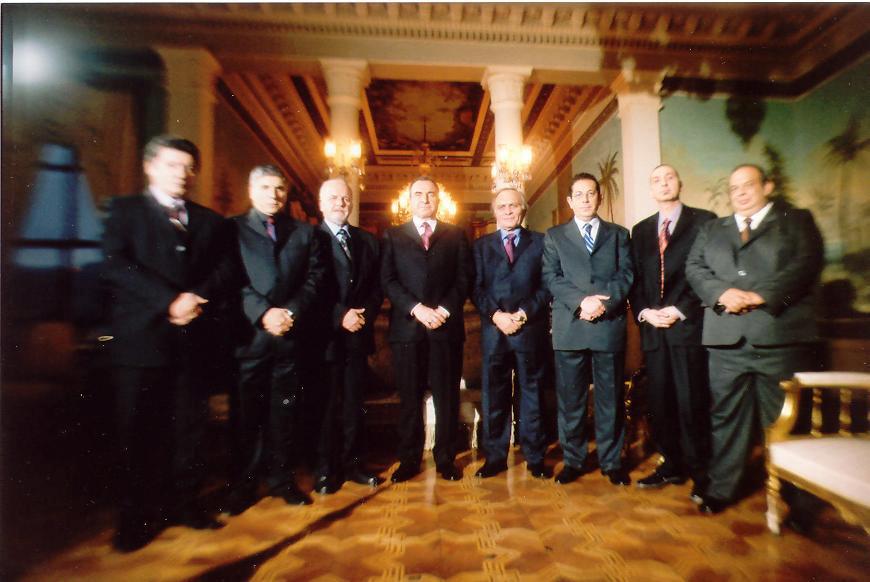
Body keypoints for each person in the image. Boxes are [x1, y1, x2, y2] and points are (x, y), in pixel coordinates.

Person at [102, 135, 238, 552]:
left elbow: (226, 268)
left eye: (188, 167)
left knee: (189, 430)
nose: (182, 174)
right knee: (137, 432)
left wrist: (196, 297)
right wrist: (169, 301)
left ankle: (186, 505)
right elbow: (115, 264)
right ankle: (135, 518)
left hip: (192, 341)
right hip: (141, 343)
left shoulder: (209, 221)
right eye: (172, 165)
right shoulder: (124, 210)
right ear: (150, 167)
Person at [686, 164, 823, 514]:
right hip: (726, 339)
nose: (741, 193)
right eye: (734, 188)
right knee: (726, 418)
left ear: (768, 186)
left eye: (748, 185)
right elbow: (695, 268)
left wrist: (761, 296)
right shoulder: (711, 229)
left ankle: (794, 498)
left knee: (784, 419)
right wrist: (722, 293)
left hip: (778, 339)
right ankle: (722, 488)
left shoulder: (796, 221)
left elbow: (806, 265)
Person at [223, 164, 327, 514]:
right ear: (251, 191)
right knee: (246, 415)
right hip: (250, 337)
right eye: (266, 187)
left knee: (285, 413)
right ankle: (243, 485)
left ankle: (283, 481)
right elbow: (232, 280)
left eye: (280, 188)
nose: (274, 194)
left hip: (290, 337)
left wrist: (290, 312)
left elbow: (314, 278)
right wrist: (264, 313)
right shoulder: (232, 229)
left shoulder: (304, 232)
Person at [629, 164, 716, 500]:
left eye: (668, 178)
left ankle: (702, 473)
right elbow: (635, 281)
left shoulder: (704, 221)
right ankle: (672, 465)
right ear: (651, 188)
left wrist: (679, 309)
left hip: (687, 327)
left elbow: (708, 274)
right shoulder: (640, 230)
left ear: (679, 182)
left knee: (692, 401)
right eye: (656, 179)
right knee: (660, 402)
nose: (663, 183)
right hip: (653, 330)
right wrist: (645, 312)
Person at [542, 172, 634, 486]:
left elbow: (626, 275)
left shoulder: (619, 234)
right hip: (571, 326)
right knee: (571, 401)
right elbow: (551, 277)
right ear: (569, 201)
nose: (585, 199)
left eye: (590, 193)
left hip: (607, 326)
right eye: (578, 194)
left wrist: (603, 303)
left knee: (610, 399)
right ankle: (574, 461)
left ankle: (611, 462)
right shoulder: (554, 236)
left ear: (599, 197)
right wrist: (582, 302)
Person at [380, 176, 473, 482]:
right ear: (410, 200)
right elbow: (388, 280)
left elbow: (464, 279)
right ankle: (409, 459)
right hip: (407, 330)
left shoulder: (456, 234)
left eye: (430, 194)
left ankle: (445, 458)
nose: (424, 199)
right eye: (418, 194)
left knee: (447, 397)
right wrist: (417, 309)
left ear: (438, 199)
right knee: (409, 398)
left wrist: (443, 310)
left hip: (445, 329)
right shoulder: (392, 235)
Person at [310, 178, 384, 494]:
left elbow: (377, 287)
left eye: (345, 198)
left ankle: (354, 465)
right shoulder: (309, 238)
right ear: (321, 204)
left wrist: (363, 314)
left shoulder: (367, 241)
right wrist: (341, 315)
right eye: (333, 198)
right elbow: (310, 288)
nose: (341, 203)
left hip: (358, 335)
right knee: (326, 407)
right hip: (326, 337)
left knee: (355, 405)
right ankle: (325, 471)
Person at [471, 187, 551, 479]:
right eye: (502, 206)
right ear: (494, 211)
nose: (507, 211)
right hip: (495, 331)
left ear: (522, 210)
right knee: (494, 395)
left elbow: (547, 286)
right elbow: (475, 288)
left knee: (533, 395)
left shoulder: (541, 242)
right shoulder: (480, 246)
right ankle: (495, 457)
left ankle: (535, 457)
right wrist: (496, 315)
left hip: (529, 330)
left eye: (513, 206)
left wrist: (522, 314)